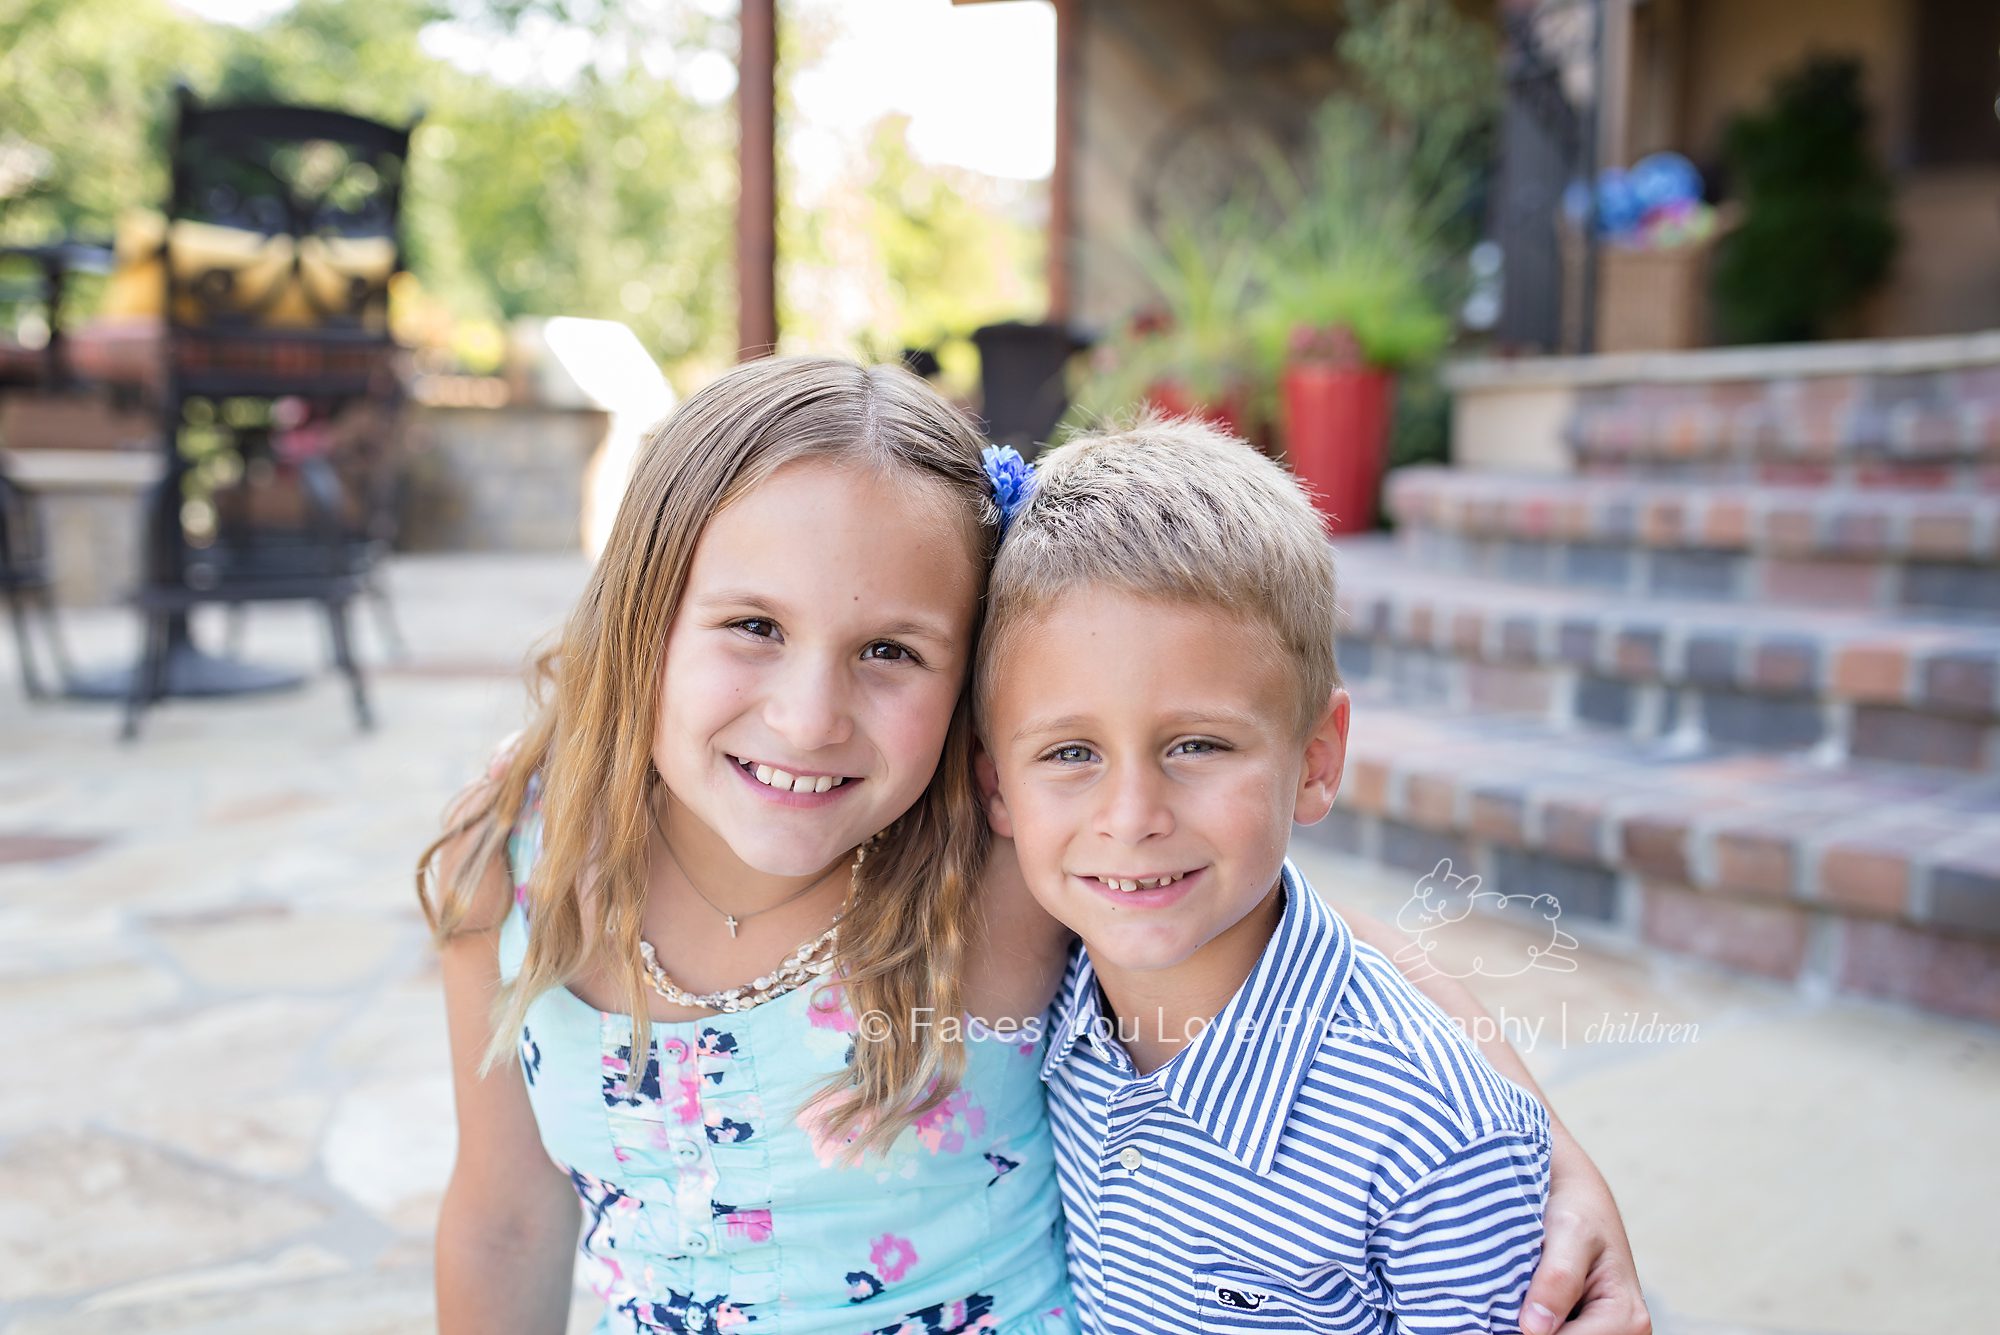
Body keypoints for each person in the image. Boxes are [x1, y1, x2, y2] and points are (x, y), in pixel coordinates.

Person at [417, 357, 1649, 1335]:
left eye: (890, 652)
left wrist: (1545, 1160)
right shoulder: (516, 865)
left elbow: (1308, 948)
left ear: (969, 697)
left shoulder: (981, 864)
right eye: (750, 625)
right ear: (645, 613)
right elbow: (508, 1220)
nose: (808, 716)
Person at [972, 415, 1552, 1332]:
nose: (1132, 816)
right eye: (1072, 751)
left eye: (1198, 744)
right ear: (994, 783)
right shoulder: (1039, 1007)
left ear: (1316, 760)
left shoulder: (1432, 1137)